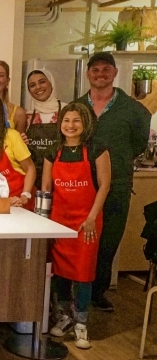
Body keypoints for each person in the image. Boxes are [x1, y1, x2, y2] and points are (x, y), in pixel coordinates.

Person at [77, 52, 150, 311]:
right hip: (81, 185)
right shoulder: (77, 108)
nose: (100, 74)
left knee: (108, 241)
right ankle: (79, 290)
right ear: (88, 74)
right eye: (95, 70)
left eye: (105, 70)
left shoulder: (134, 109)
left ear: (114, 73)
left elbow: (139, 144)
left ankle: (98, 292)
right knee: (81, 240)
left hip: (117, 185)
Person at [43, 102, 111, 349]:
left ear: (85, 124)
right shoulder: (54, 152)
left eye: (76, 121)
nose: (70, 126)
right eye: (66, 121)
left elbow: (104, 185)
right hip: (60, 221)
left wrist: (92, 217)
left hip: (87, 222)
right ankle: (64, 317)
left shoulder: (96, 150)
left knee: (83, 272)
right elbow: (46, 189)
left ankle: (81, 322)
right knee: (60, 270)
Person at [24, 69, 63, 188]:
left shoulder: (67, 111)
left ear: (51, 83)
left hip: (61, 178)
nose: (38, 87)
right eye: (32, 85)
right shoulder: (27, 116)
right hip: (33, 180)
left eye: (42, 82)